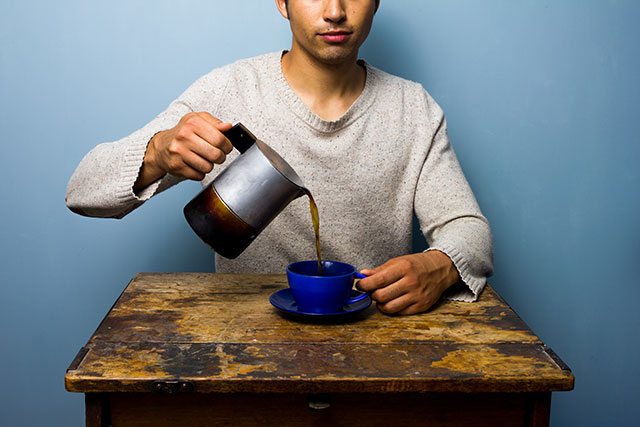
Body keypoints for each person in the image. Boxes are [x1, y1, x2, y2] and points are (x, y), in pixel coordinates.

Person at [66, 0, 493, 315]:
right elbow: (82, 192)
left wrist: (440, 265)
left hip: (373, 342)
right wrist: (158, 152)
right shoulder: (228, 91)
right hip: (241, 341)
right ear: (281, 3)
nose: (335, 11)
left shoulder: (413, 109)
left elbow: (468, 228)